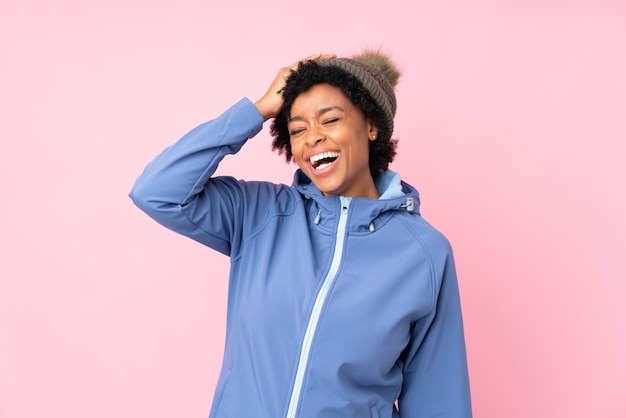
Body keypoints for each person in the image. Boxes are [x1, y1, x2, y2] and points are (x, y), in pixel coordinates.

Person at [130, 51, 472, 418]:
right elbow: (157, 190)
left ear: (371, 126)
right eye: (297, 129)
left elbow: (439, 399)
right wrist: (258, 110)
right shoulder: (261, 213)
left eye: (330, 120)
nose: (313, 137)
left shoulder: (423, 254)